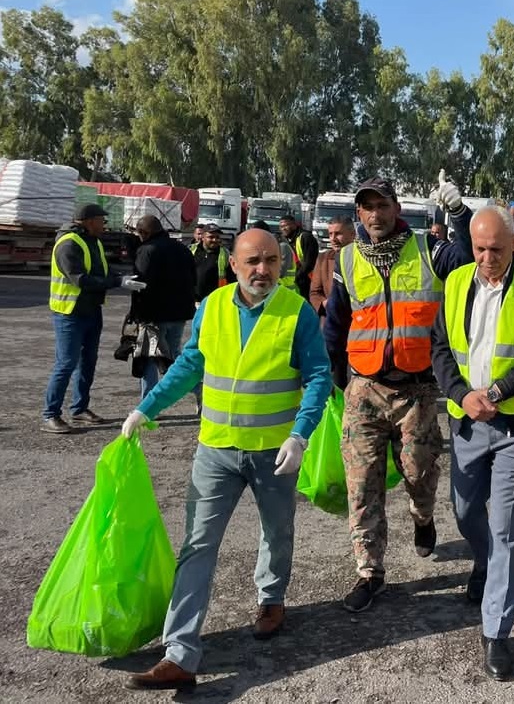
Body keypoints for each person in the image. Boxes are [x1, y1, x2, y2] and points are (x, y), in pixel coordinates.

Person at [120, 228, 332, 691]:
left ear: (283, 265)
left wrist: (300, 435)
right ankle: (180, 653)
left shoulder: (295, 312)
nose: (263, 270)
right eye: (253, 261)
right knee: (197, 545)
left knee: (277, 530)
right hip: (215, 451)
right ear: (232, 265)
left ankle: (271, 598)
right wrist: (146, 407)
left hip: (274, 452)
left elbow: (319, 376)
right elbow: (190, 364)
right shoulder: (212, 307)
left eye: (272, 261)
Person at [323, 175, 471, 613]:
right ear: (359, 213)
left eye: (382, 205)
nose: (374, 214)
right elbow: (336, 322)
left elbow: (466, 261)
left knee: (419, 475)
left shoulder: (429, 249)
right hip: (364, 388)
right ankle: (370, 572)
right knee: (362, 485)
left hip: (418, 389)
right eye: (366, 207)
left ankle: (422, 519)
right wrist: (334, 379)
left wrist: (459, 215)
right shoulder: (346, 259)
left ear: (396, 207)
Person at [430, 206, 514, 680]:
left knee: (508, 529)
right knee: (465, 511)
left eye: (498, 250)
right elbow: (441, 350)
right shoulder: (455, 282)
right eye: (481, 249)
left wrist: (500, 393)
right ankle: (483, 563)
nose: (489, 259)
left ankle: (497, 632)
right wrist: (464, 396)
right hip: (465, 423)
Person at [41, 203, 146, 434]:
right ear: (88, 221)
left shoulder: (94, 242)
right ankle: (50, 414)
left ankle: (79, 408)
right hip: (69, 313)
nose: (104, 224)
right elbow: (81, 279)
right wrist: (117, 282)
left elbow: (102, 273)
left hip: (90, 311)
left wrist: (120, 278)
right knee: (66, 363)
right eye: (101, 220)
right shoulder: (68, 244)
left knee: (88, 361)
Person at [131, 215, 197, 399]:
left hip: (155, 315)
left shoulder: (147, 250)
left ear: (145, 232)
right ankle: (197, 388)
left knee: (150, 358)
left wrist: (137, 314)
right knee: (173, 357)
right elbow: (193, 279)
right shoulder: (182, 250)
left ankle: (148, 401)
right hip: (179, 314)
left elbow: (140, 285)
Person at [309, 215, 355, 318]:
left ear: (352, 234)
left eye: (338, 234)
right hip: (331, 319)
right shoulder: (323, 259)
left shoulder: (362, 258)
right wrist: (326, 304)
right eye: (330, 234)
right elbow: (315, 292)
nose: (333, 239)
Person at [278, 214, 318, 300]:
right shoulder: (286, 239)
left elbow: (309, 264)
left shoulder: (305, 237)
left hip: (309, 280)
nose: (283, 228)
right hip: (297, 281)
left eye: (286, 225)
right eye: (281, 226)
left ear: (294, 225)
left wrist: (296, 277)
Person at [191, 223, 232, 304]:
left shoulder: (225, 254)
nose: (215, 240)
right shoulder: (192, 250)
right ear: (203, 237)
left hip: (215, 301)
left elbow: (232, 280)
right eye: (211, 237)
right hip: (194, 300)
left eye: (217, 237)